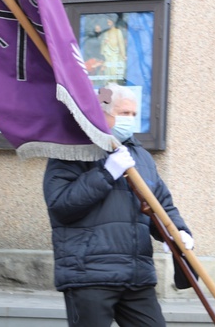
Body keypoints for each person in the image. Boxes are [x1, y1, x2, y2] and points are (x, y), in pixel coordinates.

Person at [43, 83, 193, 327]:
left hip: (136, 275)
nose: (130, 121)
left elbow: (161, 203)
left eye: (134, 114)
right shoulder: (72, 149)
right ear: (101, 113)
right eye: (124, 114)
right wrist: (106, 173)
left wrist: (178, 232)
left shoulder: (140, 156)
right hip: (89, 273)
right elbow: (61, 205)